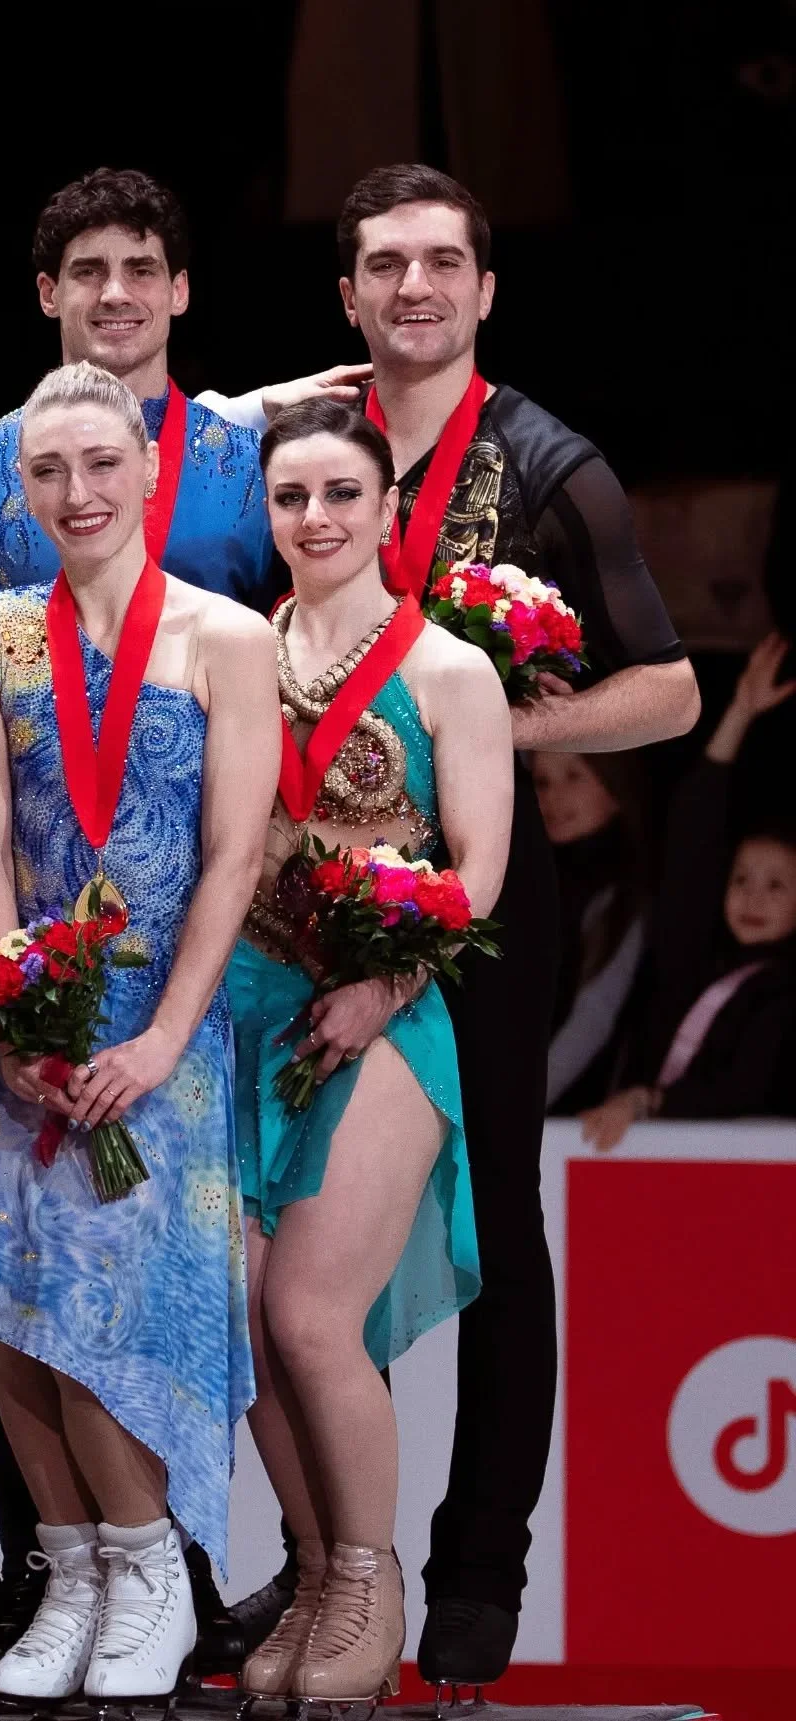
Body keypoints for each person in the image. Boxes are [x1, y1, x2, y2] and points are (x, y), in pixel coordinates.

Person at [207, 163, 700, 1684]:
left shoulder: (549, 463)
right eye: (382, 264)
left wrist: (471, 736)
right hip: (290, 907)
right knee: (274, 1238)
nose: (413, 286)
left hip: (479, 902)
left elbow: (670, 690)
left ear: (487, 288)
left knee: (502, 1216)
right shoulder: (297, 450)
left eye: (442, 262)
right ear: (347, 292)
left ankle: (476, 1577)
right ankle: (320, 1572)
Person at [0, 361, 281, 1702]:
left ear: (146, 472)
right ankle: (71, 1570)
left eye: (100, 465)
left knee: (118, 1312)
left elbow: (236, 857)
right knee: (19, 1310)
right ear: (23, 490)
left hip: (160, 1031)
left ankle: (148, 1570)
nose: (78, 491)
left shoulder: (228, 638)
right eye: (49, 472)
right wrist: (12, 1008)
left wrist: (164, 1039)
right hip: (23, 1024)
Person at [229, 399, 510, 1702]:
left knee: (309, 1312)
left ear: (390, 508)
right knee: (243, 1322)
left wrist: (382, 985)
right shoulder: (236, 651)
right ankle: (315, 1566)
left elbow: (479, 878)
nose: (316, 519)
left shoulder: (450, 670)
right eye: (292, 497)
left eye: (342, 493)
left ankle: (368, 1577)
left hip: (386, 1013)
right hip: (239, 1009)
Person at [0, 166, 367, 619]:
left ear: (179, 291)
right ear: (48, 293)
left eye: (140, 270)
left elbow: (290, 641)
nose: (115, 293)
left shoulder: (254, 467)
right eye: (89, 272)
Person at [581, 632, 796, 1148]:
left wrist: (648, 1102)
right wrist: (739, 713)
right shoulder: (694, 958)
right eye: (741, 879)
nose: (753, 897)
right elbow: (692, 844)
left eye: (777, 885)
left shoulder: (785, 992)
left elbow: (742, 1088)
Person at [534, 753, 649, 1112]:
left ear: (616, 786)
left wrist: (519, 1110)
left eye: (574, 777)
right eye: (542, 782)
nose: (554, 797)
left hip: (581, 1127)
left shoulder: (625, 896)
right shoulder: (528, 882)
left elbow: (593, 1017)